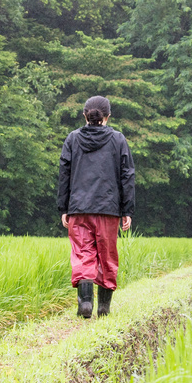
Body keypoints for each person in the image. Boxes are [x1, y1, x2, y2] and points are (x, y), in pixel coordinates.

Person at [57, 95, 135, 318]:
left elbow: (64, 174)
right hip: (108, 210)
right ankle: (103, 308)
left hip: (79, 209)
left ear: (85, 115)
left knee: (83, 254)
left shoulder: (72, 139)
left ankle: (85, 303)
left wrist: (63, 208)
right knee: (107, 256)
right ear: (107, 117)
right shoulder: (118, 139)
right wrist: (127, 210)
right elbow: (127, 176)